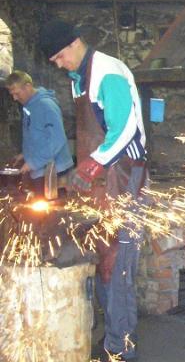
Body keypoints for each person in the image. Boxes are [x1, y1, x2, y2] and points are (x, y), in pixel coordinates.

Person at [39, 19, 148, 362]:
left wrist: (92, 164)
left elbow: (126, 128)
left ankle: (121, 352)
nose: (57, 64)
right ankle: (111, 337)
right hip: (102, 182)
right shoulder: (80, 79)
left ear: (73, 44)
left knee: (117, 267)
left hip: (123, 180)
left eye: (58, 56)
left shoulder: (107, 72)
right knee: (101, 258)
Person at [5, 70, 73, 195]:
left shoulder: (45, 106)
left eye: (17, 93)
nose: (15, 98)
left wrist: (33, 162)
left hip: (54, 171)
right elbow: (37, 135)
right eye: (12, 95)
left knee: (52, 211)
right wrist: (24, 154)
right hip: (41, 168)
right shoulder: (29, 106)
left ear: (28, 86)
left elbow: (56, 140)